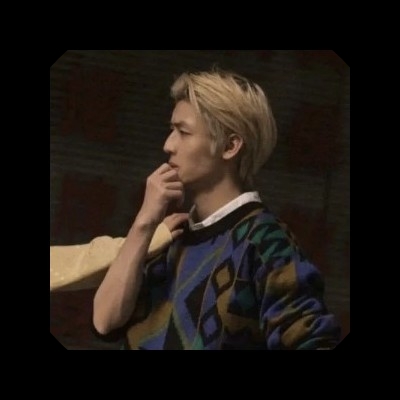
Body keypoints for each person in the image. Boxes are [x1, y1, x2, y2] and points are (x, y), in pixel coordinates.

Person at [92, 68, 341, 350]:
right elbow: (105, 322)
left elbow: (313, 340)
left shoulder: (265, 241)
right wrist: (144, 224)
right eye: (171, 130)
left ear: (230, 146)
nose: (168, 145)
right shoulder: (167, 237)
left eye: (183, 132)